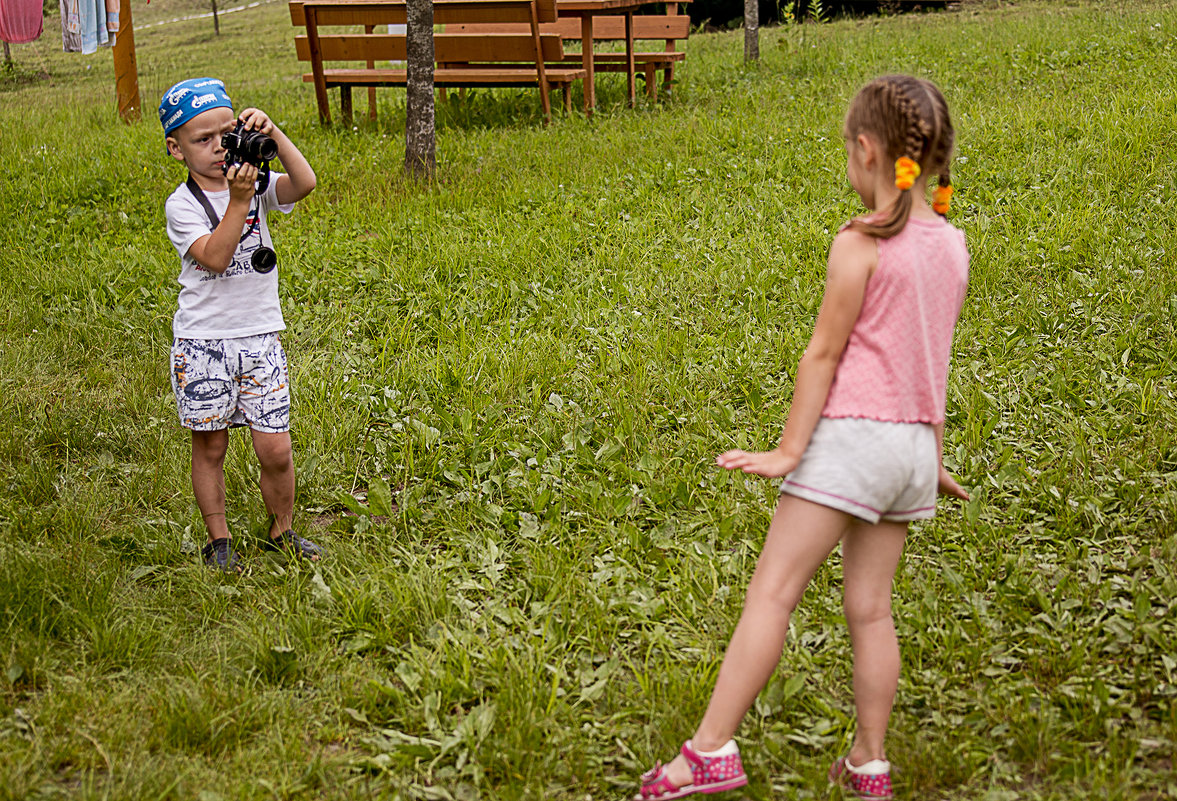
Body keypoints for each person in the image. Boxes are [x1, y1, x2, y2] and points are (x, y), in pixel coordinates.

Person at [634, 74, 971, 801]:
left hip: (851, 441)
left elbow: (821, 354)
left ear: (866, 150)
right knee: (871, 609)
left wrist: (789, 451)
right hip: (910, 451)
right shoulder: (952, 247)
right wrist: (932, 457)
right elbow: (931, 361)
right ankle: (869, 762)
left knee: (773, 591)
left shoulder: (858, 246)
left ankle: (710, 750)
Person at [159, 77, 320, 572]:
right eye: (201, 140)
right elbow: (214, 256)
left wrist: (275, 133)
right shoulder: (182, 205)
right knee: (211, 445)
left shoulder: (256, 182)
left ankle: (282, 529)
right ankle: (219, 539)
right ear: (176, 148)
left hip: (259, 336)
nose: (216, 148)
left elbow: (305, 182)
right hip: (203, 343)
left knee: (276, 445)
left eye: (224, 134)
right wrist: (236, 201)